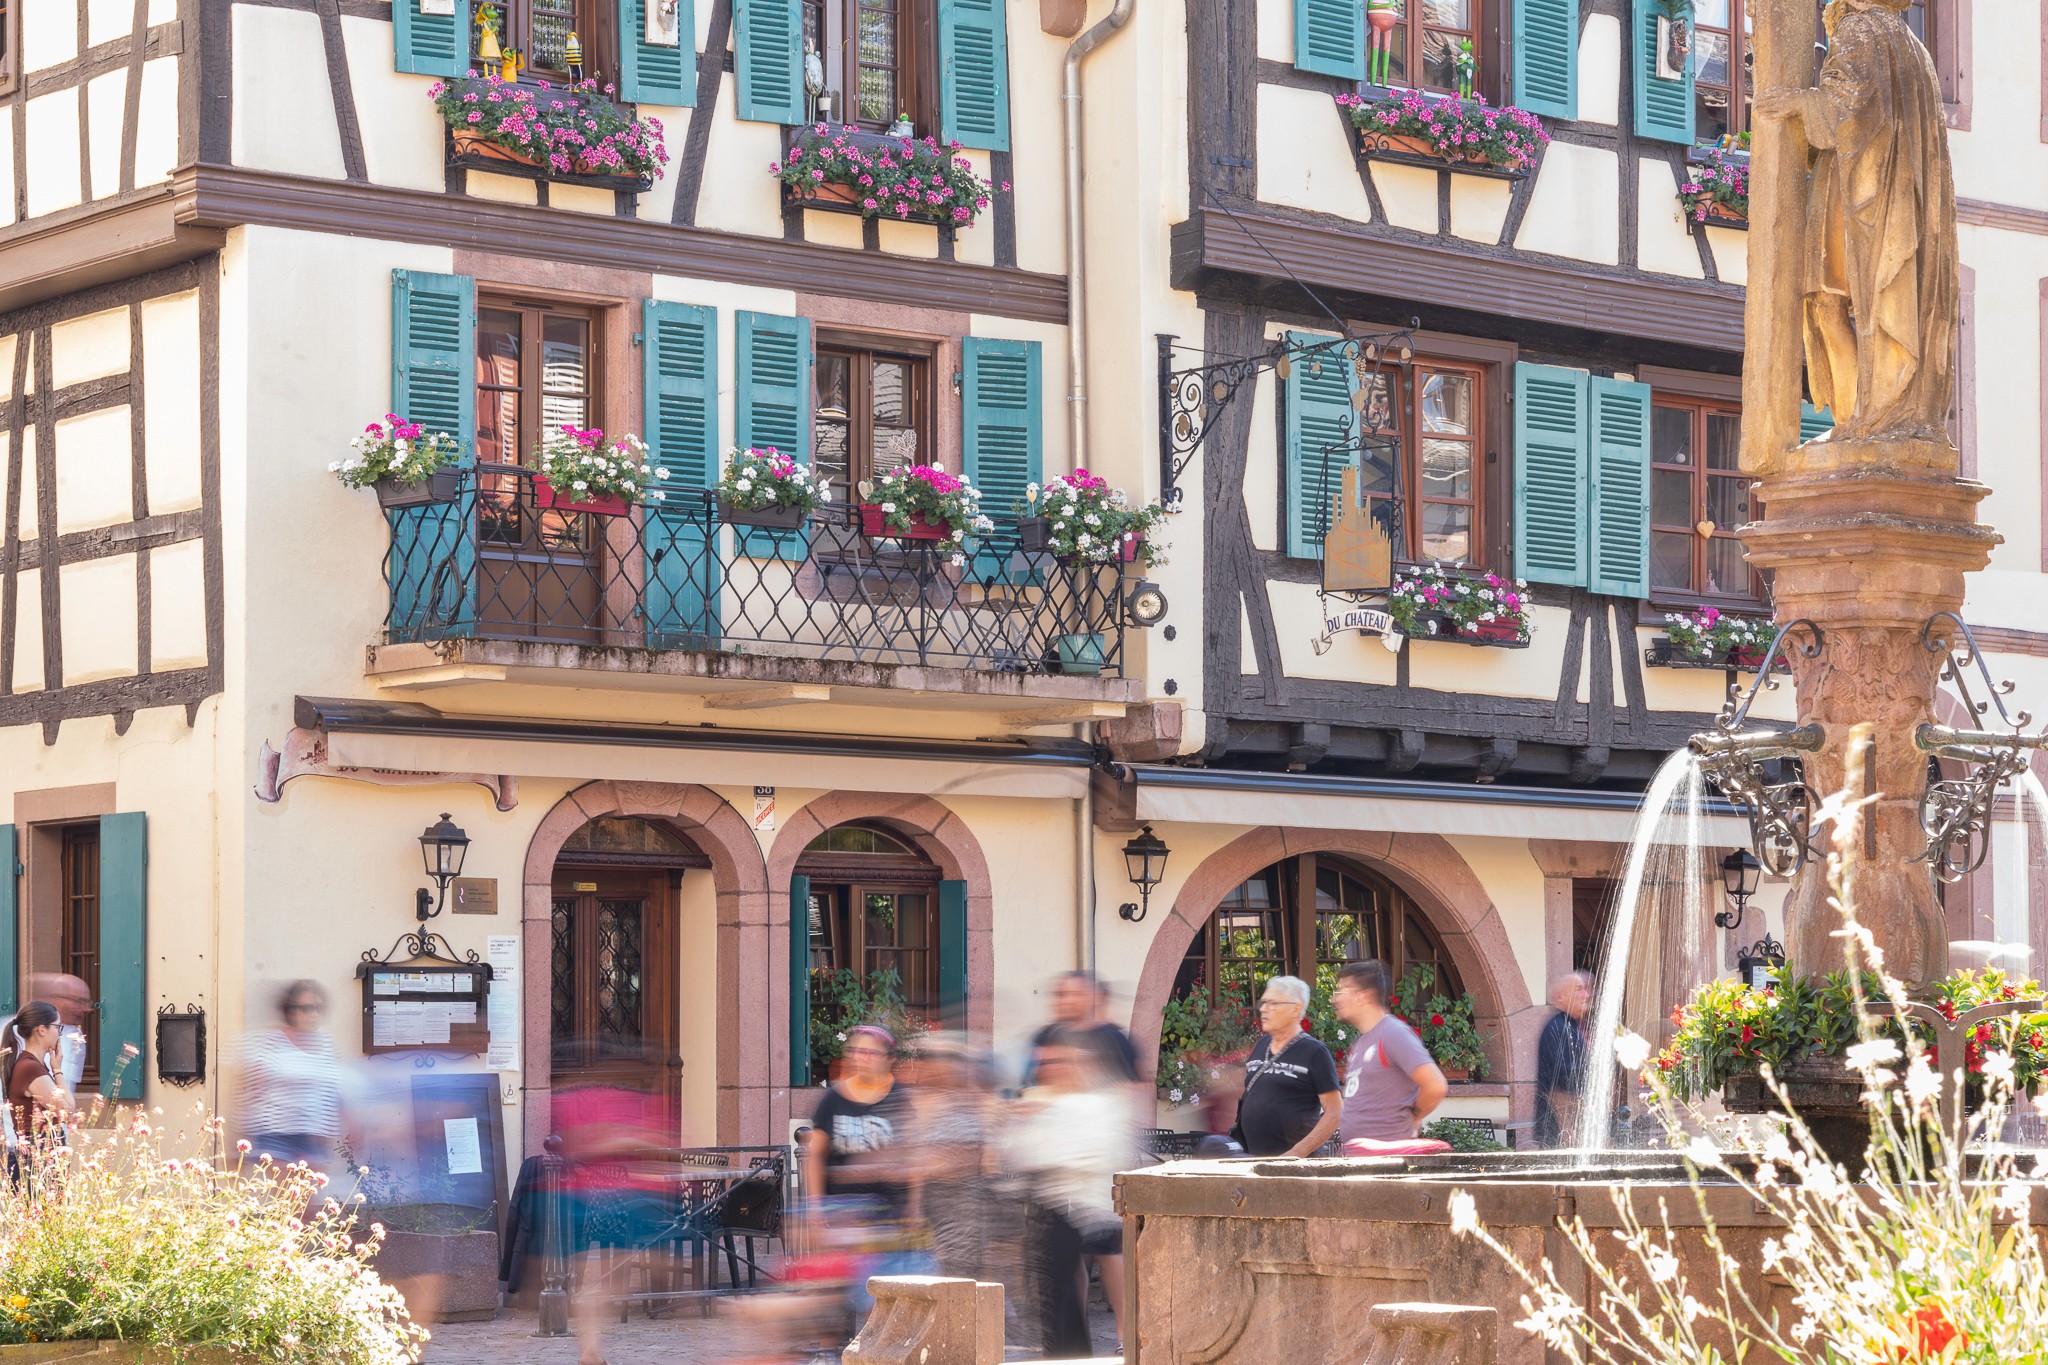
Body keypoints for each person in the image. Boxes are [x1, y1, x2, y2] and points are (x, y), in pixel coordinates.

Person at [1009, 1027, 1135, 1359]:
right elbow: (1017, 1153)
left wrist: (1039, 1134)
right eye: (1045, 1062)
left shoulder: (1100, 1104)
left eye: (1058, 1061)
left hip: (1083, 1212)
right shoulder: (1042, 1100)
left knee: (1063, 1300)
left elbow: (1086, 1155)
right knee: (1054, 1302)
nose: (1049, 1068)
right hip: (1049, 1209)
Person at [1330, 960, 1448, 1151]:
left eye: (1341, 992)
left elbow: (1435, 1085)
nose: (1334, 999)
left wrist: (1414, 1116)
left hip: (1387, 1163)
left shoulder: (1393, 1033)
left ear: (1362, 996)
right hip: (1363, 1161)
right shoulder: (1362, 1041)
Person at [237, 980, 350, 1180]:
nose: (314, 1014)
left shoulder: (325, 1043)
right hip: (275, 1134)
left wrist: (348, 1123)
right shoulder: (271, 1042)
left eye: (317, 1008)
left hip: (313, 1135)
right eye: (306, 1008)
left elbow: (334, 1088)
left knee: (307, 1203)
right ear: (291, 1011)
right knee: (288, 1199)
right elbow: (252, 1090)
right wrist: (241, 1136)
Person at [1227, 976, 1341, 1158]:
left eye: (1273, 1003)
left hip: (1296, 1169)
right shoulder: (1261, 1045)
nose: (1263, 1009)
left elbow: (1335, 1113)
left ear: (1295, 1009)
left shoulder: (1315, 1052)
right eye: (1263, 1002)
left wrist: (1295, 1154)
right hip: (1255, 1162)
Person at [1021, 972, 1138, 1089]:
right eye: (1062, 995)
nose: (1069, 1000)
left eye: (1077, 994)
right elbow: (1029, 1081)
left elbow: (1128, 1086)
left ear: (1094, 998)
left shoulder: (1113, 1039)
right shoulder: (1045, 1036)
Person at [5, 1001, 76, 1171]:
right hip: (36, 1159)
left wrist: (56, 1068)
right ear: (42, 1029)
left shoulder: (34, 1065)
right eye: (58, 1027)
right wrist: (58, 1071)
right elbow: (67, 1112)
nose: (60, 1034)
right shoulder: (30, 1068)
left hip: (41, 1156)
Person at [1534, 971, 1593, 1148]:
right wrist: (1570, 1134)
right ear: (1560, 997)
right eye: (1579, 989)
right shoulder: (1558, 1028)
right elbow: (1559, 1090)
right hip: (1561, 1134)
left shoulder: (1571, 1026)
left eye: (1588, 989)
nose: (1587, 995)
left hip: (1570, 1130)